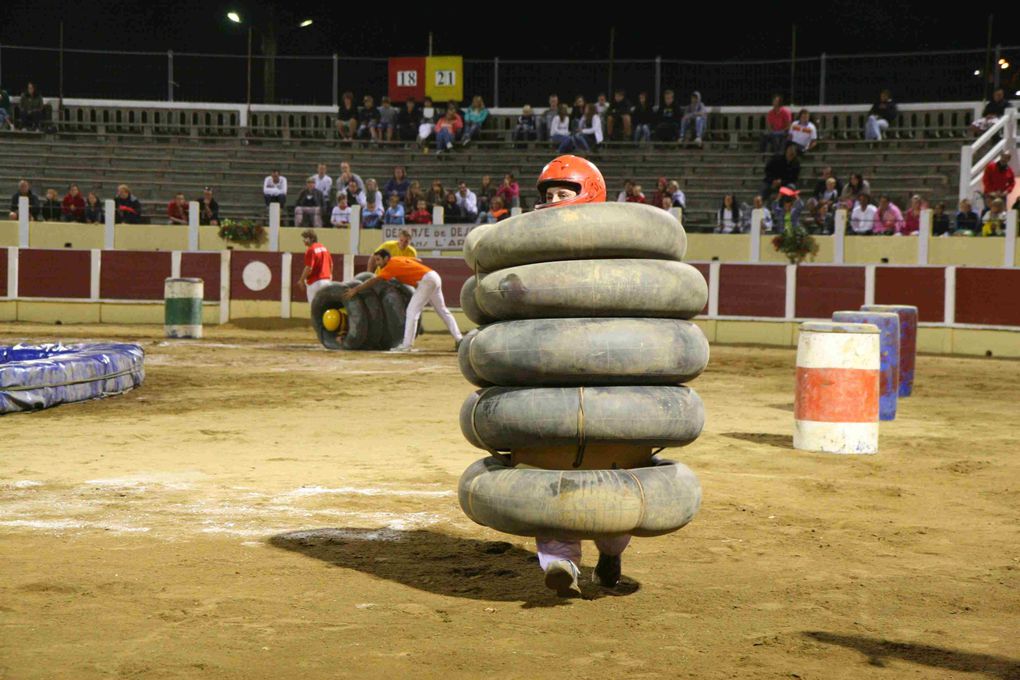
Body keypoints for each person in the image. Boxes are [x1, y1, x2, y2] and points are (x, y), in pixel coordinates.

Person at [526, 154, 629, 596]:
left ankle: (611, 553)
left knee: (610, 470)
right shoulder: (526, 254)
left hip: (605, 376)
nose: (552, 202)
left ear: (588, 195)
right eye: (547, 196)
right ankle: (561, 561)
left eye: (561, 194)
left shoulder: (617, 254)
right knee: (551, 466)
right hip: (549, 378)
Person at [343, 251, 462, 353]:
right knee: (442, 311)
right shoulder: (396, 259)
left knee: (412, 311)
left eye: (379, 260)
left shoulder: (389, 267)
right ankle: (459, 339)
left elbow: (374, 281)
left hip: (426, 281)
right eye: (375, 260)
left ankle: (407, 345)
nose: (377, 264)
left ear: (386, 258)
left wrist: (356, 289)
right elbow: (416, 259)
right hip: (434, 275)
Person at [296, 230, 332, 303]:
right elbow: (331, 264)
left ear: (312, 239)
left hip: (315, 282)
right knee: (325, 306)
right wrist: (329, 277)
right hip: (327, 282)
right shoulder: (324, 248)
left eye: (306, 238)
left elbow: (309, 267)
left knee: (314, 308)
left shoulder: (311, 249)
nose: (303, 240)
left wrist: (301, 280)